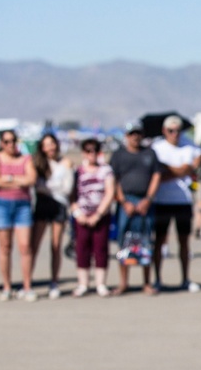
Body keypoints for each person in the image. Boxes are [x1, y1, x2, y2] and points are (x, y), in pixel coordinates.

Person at [151, 115, 201, 291]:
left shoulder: (189, 145)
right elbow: (159, 173)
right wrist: (181, 170)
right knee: (159, 240)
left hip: (183, 200)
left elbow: (194, 164)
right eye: (171, 131)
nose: (175, 134)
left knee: (184, 241)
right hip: (162, 200)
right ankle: (157, 278)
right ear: (165, 131)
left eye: (178, 130)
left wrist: (173, 170)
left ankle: (185, 278)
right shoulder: (157, 148)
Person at [110, 120, 161, 296]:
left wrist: (148, 199)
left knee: (145, 242)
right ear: (126, 136)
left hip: (145, 201)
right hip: (126, 201)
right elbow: (114, 179)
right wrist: (123, 201)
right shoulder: (118, 155)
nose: (135, 137)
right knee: (124, 241)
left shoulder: (149, 153)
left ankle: (147, 282)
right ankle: (123, 282)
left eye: (138, 133)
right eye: (132, 134)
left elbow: (156, 176)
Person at [0, 129, 38, 301]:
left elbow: (31, 179)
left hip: (22, 205)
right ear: (1, 143)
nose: (11, 144)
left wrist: (8, 178)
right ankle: (7, 286)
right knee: (5, 247)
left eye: (13, 140)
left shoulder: (25, 158)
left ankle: (27, 286)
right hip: (1, 205)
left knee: (25, 246)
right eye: (7, 141)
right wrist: (18, 180)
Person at [69, 137, 115, 297]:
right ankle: (83, 283)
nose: (91, 154)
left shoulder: (106, 170)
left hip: (100, 215)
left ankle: (100, 284)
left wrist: (98, 214)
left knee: (100, 248)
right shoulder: (77, 171)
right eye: (88, 151)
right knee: (82, 249)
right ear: (83, 153)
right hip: (81, 215)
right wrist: (78, 213)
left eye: (94, 150)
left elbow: (110, 192)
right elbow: (71, 195)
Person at [30, 132, 74, 299]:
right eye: (46, 144)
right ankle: (29, 282)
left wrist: (48, 187)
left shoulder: (66, 162)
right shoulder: (39, 164)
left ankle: (54, 281)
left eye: (52, 143)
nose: (50, 147)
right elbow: (36, 185)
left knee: (55, 246)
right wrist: (53, 187)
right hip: (42, 205)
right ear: (42, 147)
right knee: (34, 245)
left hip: (60, 206)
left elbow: (67, 188)